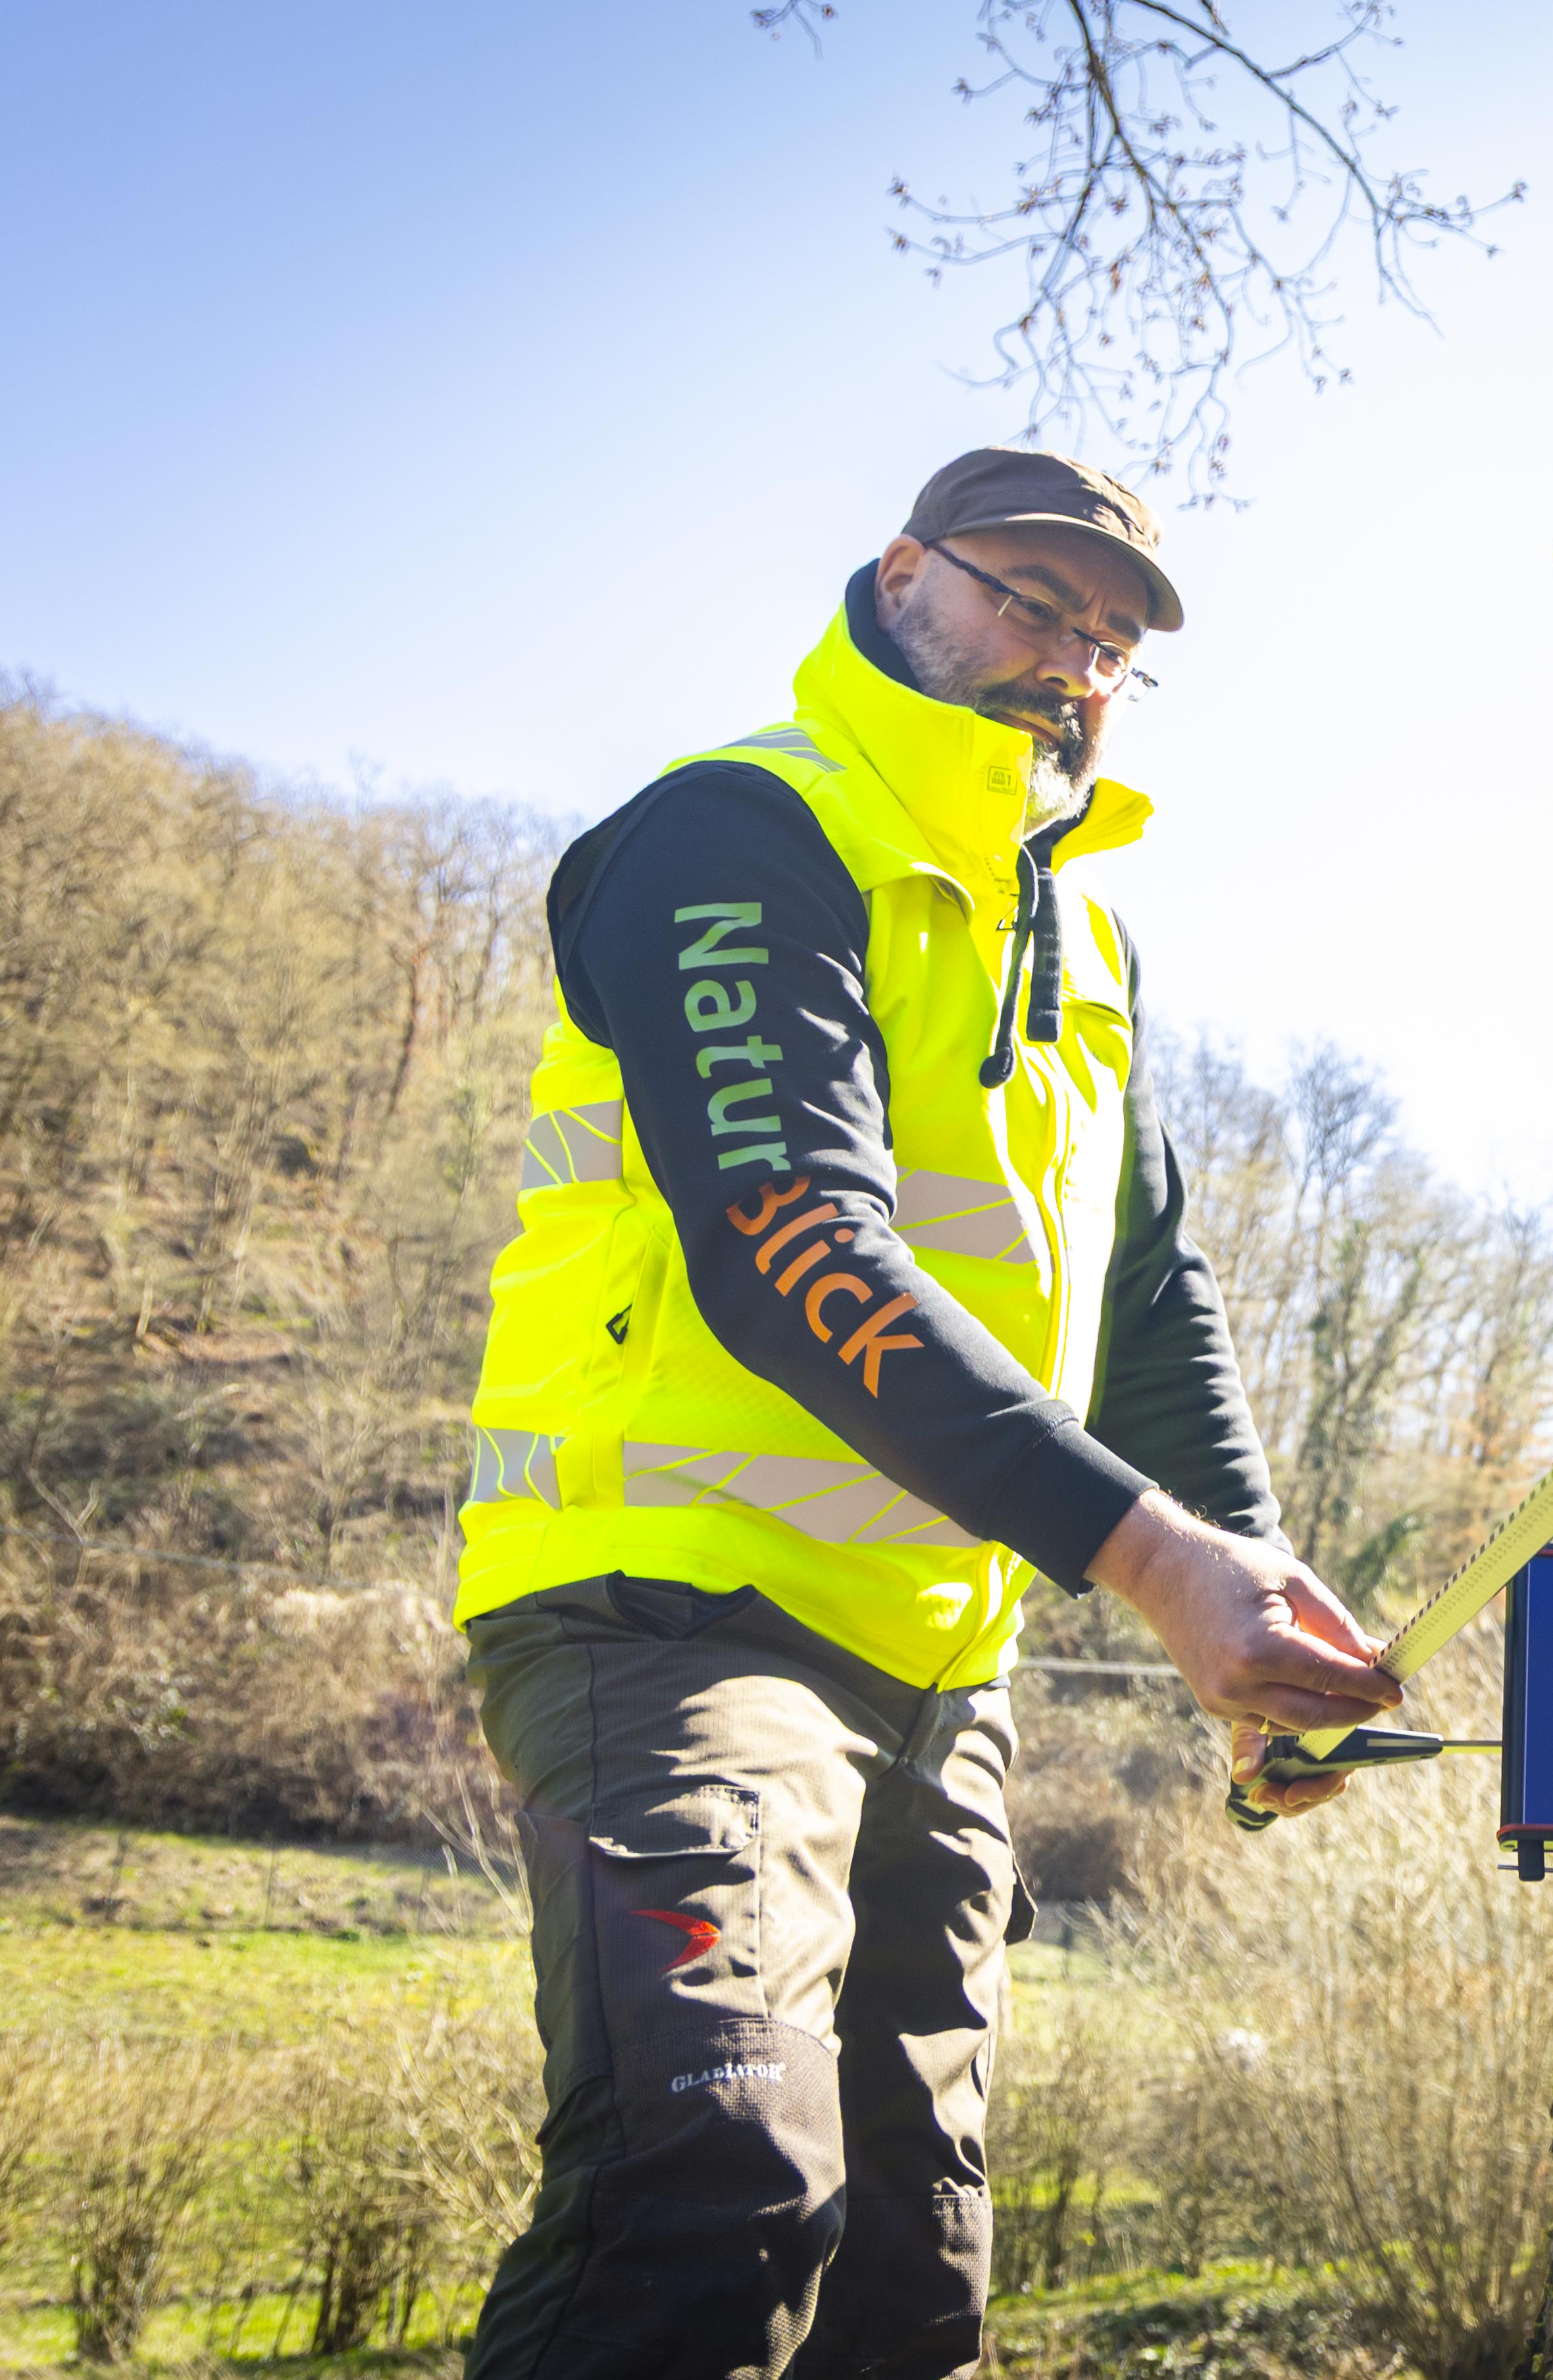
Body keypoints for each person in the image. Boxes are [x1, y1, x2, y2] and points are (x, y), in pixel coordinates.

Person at [449, 445, 1399, 2378]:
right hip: (675, 1622)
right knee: (710, 2188)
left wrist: (1253, 1594)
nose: (1071, 660)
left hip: (942, 1680)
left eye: (1113, 640)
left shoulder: (1086, 938)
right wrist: (1153, 1563)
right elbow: (789, 1241)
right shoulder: (741, 830)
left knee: (912, 2285)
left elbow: (1149, 1298)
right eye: (1032, 601)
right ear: (901, 577)